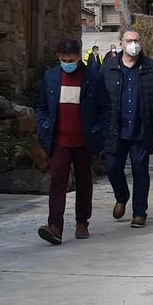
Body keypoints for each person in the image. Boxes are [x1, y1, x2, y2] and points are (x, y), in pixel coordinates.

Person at [35, 39, 110, 245]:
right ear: (58, 57)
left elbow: (105, 108)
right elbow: (41, 107)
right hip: (58, 140)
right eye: (63, 59)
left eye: (71, 59)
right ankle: (55, 226)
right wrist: (43, 127)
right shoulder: (51, 77)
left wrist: (100, 131)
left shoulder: (93, 78)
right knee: (57, 181)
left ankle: (82, 221)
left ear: (79, 57)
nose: (67, 62)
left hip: (84, 140)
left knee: (84, 181)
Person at [101, 28, 153, 228]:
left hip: (141, 129)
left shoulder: (151, 68)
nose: (133, 44)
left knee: (140, 171)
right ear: (121, 42)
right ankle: (122, 196)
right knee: (112, 168)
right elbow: (99, 98)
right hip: (115, 129)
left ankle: (140, 213)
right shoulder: (108, 67)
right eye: (129, 40)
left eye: (137, 40)